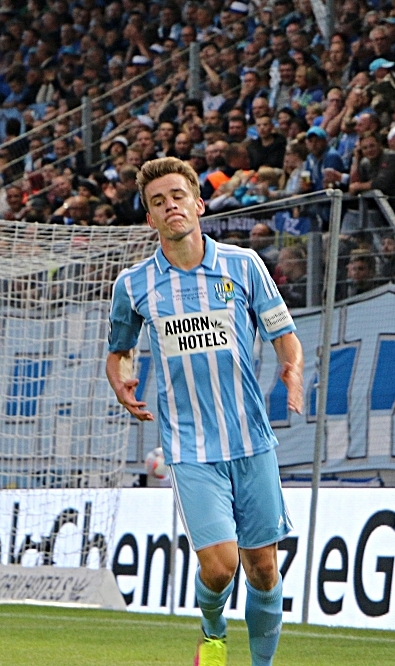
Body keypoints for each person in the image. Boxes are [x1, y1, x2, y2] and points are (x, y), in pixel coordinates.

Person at [106, 157, 303, 666]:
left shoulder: (244, 265)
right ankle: (212, 633)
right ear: (150, 219)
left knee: (263, 569)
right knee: (219, 568)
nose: (169, 205)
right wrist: (121, 379)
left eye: (177, 195)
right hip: (190, 447)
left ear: (198, 203)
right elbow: (120, 349)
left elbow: (284, 333)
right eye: (157, 201)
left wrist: (291, 369)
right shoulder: (134, 285)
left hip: (251, 439)